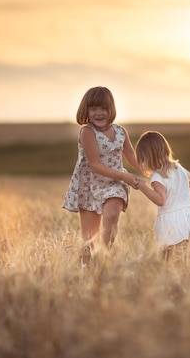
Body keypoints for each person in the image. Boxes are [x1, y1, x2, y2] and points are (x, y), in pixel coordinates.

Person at [62, 86, 142, 265]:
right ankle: (87, 268)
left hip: (115, 183)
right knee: (89, 239)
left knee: (111, 215)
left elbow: (132, 157)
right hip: (89, 186)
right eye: (94, 109)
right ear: (86, 110)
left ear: (111, 109)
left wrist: (153, 171)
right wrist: (126, 177)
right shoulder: (87, 132)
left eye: (103, 108)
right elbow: (95, 165)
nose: (99, 113)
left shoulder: (121, 132)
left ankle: (104, 258)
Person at [134, 131, 190, 259]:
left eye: (144, 160)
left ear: (149, 157)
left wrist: (142, 186)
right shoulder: (179, 168)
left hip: (172, 223)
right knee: (187, 257)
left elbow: (161, 200)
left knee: (170, 259)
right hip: (189, 219)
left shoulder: (157, 176)